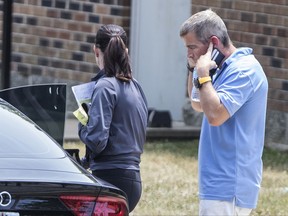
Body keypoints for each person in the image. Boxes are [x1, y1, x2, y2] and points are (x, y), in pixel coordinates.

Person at [179, 9, 268, 216]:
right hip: (218, 184)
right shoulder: (221, 69)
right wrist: (194, 68)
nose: (189, 53)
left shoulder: (244, 70)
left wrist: (203, 75)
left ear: (213, 43)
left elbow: (215, 116)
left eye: (192, 47)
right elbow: (197, 103)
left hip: (230, 185)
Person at [78, 24, 148, 213]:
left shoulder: (105, 86)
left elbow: (97, 141)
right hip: (133, 179)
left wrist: (83, 127)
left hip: (110, 177)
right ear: (126, 51)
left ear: (96, 51)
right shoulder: (136, 86)